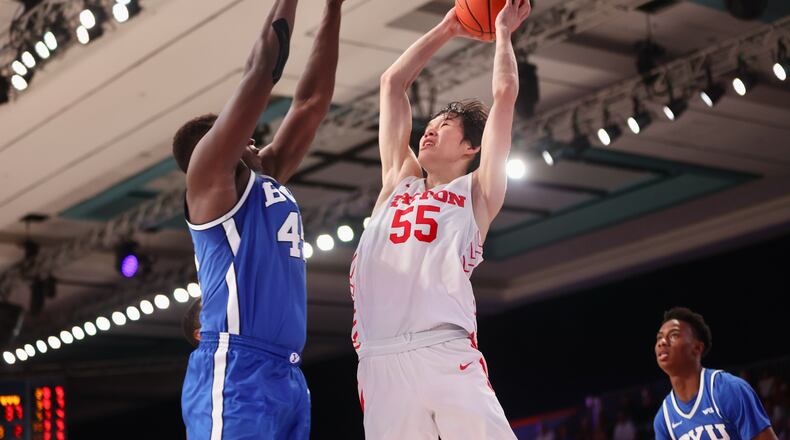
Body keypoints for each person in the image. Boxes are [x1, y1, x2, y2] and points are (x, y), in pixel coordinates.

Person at [348, 1, 531, 438]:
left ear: (471, 147)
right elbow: (393, 84)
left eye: (445, 124)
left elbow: (505, 95)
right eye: (430, 122)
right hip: (379, 358)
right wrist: (449, 26)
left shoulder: (478, 192)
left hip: (443, 351)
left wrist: (503, 33)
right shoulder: (399, 180)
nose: (429, 129)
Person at [173, 1, 343, 438]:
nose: (252, 135)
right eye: (238, 132)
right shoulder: (210, 184)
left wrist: (333, 8)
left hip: (284, 373)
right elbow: (260, 70)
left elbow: (311, 102)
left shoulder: (264, 178)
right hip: (236, 370)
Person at [654, 307, 778, 440]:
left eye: (673, 335)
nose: (662, 342)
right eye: (659, 337)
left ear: (697, 348)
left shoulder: (728, 389)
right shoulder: (664, 418)